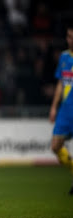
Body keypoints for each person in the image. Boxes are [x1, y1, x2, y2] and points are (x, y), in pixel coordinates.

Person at [49, 23, 73, 195]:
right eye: (68, 36)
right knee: (56, 146)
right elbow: (60, 83)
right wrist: (54, 106)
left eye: (72, 36)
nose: (70, 40)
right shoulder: (64, 57)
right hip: (65, 110)